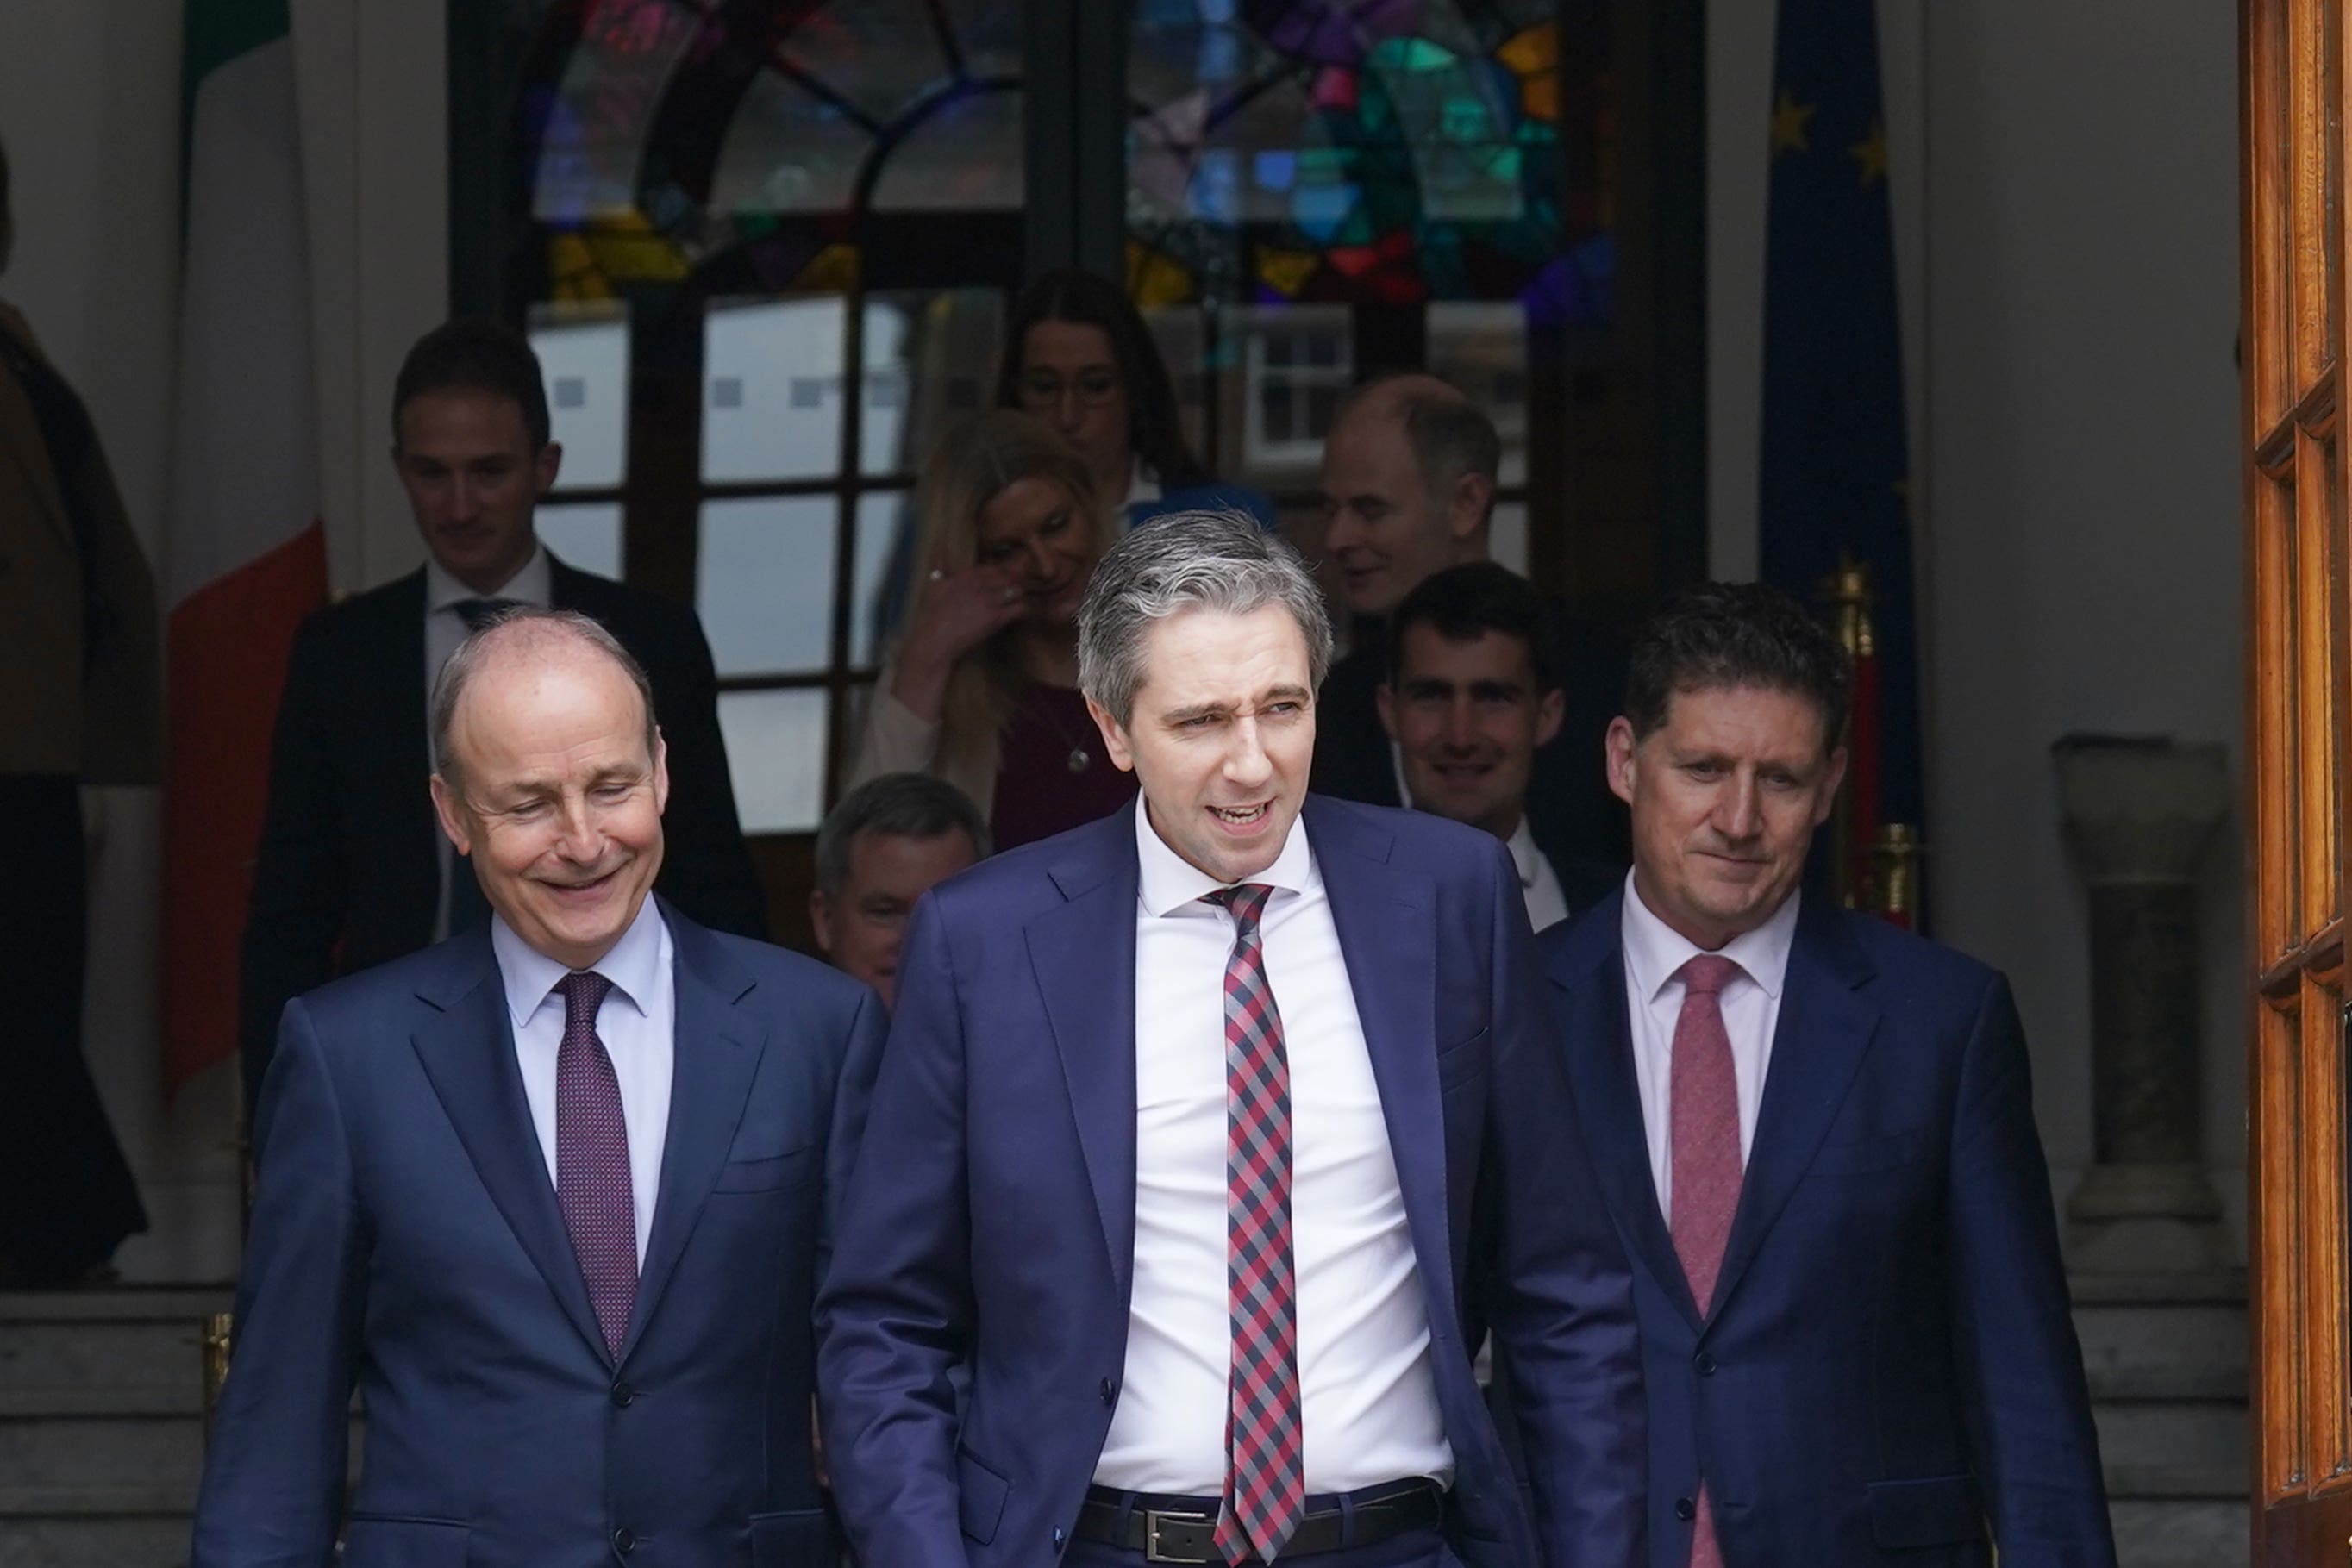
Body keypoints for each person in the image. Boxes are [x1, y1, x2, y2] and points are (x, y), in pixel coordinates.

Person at [818, 511, 1645, 1568]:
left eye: (1282, 709)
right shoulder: (985, 941)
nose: (1251, 764)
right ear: (1114, 728)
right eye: (1202, 720)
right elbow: (885, 1323)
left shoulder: (1449, 898)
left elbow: (1563, 1289)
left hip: (1393, 1543)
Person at [195, 609, 882, 1567]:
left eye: (612, 787)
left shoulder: (819, 1030)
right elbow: (278, 1423)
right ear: (451, 813)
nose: (583, 839)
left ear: (663, 771)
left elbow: (892, 1372)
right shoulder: (347, 1055)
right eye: (527, 805)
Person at [1540, 583, 2115, 1567]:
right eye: (1703, 768)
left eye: (1782, 779)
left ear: (1833, 782)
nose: (1738, 817)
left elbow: (2023, 1389)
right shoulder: (1517, 1008)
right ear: (1624, 761)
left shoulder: (1942, 1022)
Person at [239, 317, 766, 1127]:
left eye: (487, 471)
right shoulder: (339, 651)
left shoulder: (651, 636)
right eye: (431, 473)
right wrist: (276, 1108)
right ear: (398, 471)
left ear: (543, 468)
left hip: (619, 1032)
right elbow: (292, 905)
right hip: (400, 1052)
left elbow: (710, 873)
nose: (458, 505)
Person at [0, 131, 157, 1285]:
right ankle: (65, 1229)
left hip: (28, 754)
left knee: (32, 997)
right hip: (22, 754)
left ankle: (62, 1231)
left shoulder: (16, 354)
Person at [1312, 372, 1628, 877]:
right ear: (1390, 707)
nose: (1338, 537)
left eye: (1370, 510)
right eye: (1332, 510)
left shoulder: (1609, 685)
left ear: (1467, 504)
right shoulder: (1329, 710)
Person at [849, 409, 1136, 851]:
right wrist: (927, 658)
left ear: (1089, 506)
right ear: (971, 561)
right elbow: (870, 842)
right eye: (1007, 550)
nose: (1044, 565)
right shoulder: (941, 674)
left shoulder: (1159, 640)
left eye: (1056, 526)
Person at [1379, 562, 1617, 930]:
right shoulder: (1325, 912)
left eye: (1493, 698)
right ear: (1390, 711)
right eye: (1432, 696)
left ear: (1546, 716)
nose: (1461, 737)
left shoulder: (1612, 914)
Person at [997, 266, 1276, 532]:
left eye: (1096, 386)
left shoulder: (1226, 520)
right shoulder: (975, 526)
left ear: (1136, 390)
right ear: (1015, 393)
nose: (1067, 415)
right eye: (1045, 388)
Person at [810, 772, 988, 1010]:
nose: (916, 942)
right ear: (826, 920)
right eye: (885, 912)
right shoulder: (775, 1044)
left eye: (944, 917)